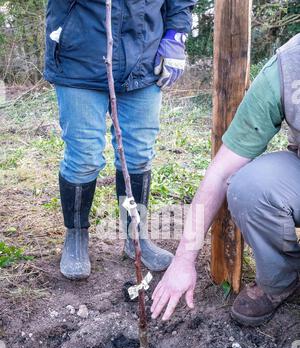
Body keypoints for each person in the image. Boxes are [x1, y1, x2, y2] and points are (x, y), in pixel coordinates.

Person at [151, 33, 300, 327]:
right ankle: (282, 280)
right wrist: (183, 260)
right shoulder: (289, 65)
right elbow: (221, 172)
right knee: (249, 187)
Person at [44, 0, 196, 279]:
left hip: (142, 59)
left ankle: (135, 236)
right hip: (79, 58)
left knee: (138, 154)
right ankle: (76, 236)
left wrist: (176, 34)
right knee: (84, 156)